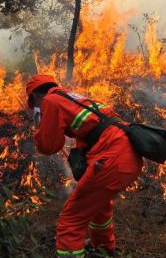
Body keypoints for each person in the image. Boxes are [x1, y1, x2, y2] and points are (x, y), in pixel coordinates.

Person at [26, 74, 143, 257]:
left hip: (111, 159)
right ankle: (104, 248)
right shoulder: (73, 97)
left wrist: (38, 124)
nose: (36, 108)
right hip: (129, 155)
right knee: (99, 205)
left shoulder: (50, 101)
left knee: (70, 220)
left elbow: (48, 146)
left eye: (34, 104)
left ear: (35, 95)